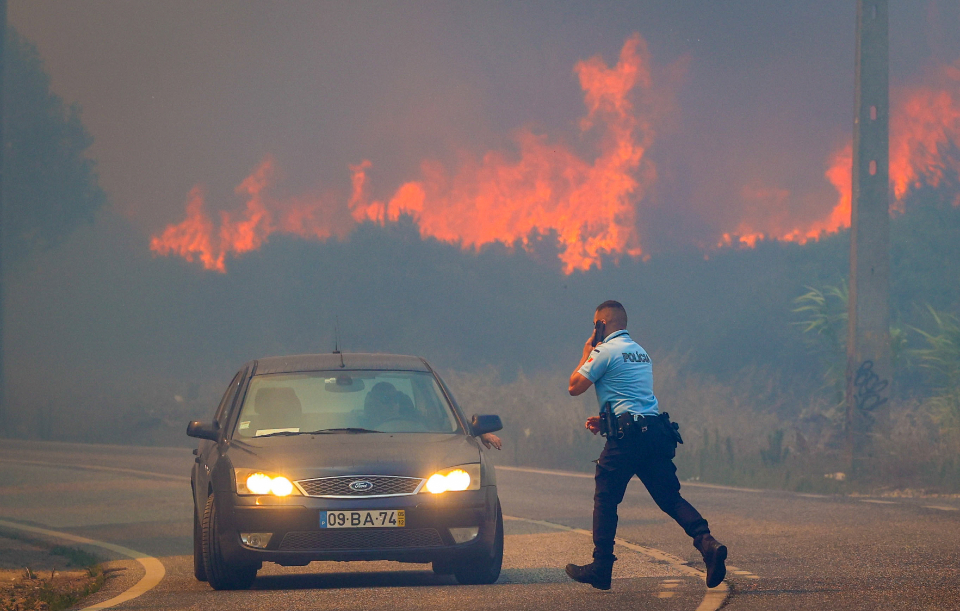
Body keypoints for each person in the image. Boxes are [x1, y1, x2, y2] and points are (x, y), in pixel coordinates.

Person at [564, 300, 727, 590]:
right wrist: (606, 421)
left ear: (602, 325)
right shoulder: (640, 352)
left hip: (627, 440)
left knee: (606, 498)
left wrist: (585, 353)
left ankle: (602, 567)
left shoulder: (603, 351)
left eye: (595, 324)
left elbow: (574, 386)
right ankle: (707, 543)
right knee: (670, 498)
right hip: (654, 432)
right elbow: (630, 397)